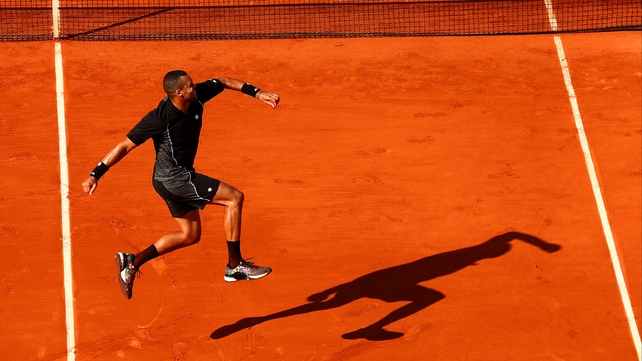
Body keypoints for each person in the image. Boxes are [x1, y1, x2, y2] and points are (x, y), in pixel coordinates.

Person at [82, 70, 279, 299]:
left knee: (190, 235)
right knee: (234, 197)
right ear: (179, 93)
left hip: (169, 180)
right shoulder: (160, 117)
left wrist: (258, 93)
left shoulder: (196, 96)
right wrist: (95, 174)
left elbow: (223, 81)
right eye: (190, 86)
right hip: (174, 179)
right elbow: (125, 145)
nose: (196, 87)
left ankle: (132, 262)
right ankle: (235, 265)